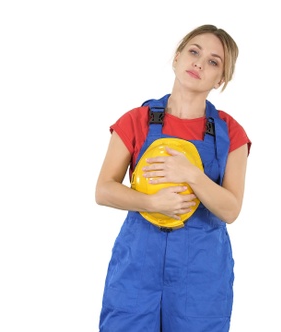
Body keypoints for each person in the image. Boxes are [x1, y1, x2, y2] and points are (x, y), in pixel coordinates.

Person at [95, 24, 251, 332]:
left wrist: (191, 174)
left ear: (220, 79)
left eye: (213, 61)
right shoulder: (136, 121)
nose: (199, 63)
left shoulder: (230, 133)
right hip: (138, 268)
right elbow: (104, 190)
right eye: (193, 52)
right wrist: (151, 202)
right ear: (177, 58)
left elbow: (231, 209)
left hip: (201, 277)